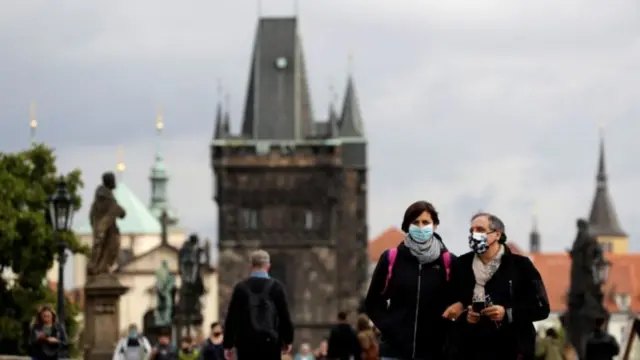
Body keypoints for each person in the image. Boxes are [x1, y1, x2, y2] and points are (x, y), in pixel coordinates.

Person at [448, 212, 550, 359]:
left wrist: (507, 313)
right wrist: (466, 314)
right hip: (471, 350)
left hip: (512, 350)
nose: (474, 235)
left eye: (480, 230)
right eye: (472, 231)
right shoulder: (461, 265)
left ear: (497, 234)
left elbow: (542, 308)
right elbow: (450, 305)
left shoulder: (520, 266)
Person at [365, 200, 459, 359]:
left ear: (435, 225)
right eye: (415, 222)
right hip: (395, 352)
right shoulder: (391, 259)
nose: (421, 227)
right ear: (407, 226)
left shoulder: (449, 262)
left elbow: (461, 300)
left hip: (435, 352)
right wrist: (389, 327)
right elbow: (373, 301)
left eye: (426, 222)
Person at [223, 250, 294, 360]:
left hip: (246, 344)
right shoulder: (276, 287)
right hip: (270, 343)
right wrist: (288, 340)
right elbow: (284, 316)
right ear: (268, 266)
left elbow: (232, 318)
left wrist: (228, 345)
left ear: (251, 266)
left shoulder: (240, 288)